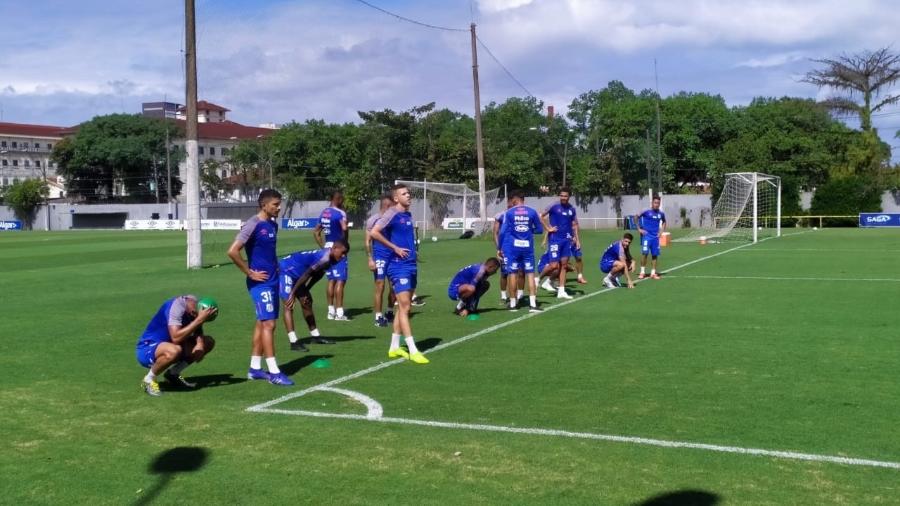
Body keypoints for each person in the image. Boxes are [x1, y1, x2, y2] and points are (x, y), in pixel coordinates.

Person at [227, 189, 294, 386]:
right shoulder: (253, 224)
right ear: (263, 205)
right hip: (260, 283)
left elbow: (269, 253)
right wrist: (249, 272)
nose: (279, 207)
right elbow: (232, 251)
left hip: (273, 280)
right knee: (269, 324)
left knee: (261, 322)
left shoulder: (273, 224)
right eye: (275, 204)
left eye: (279, 203)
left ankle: (255, 368)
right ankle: (274, 371)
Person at [370, 183, 429, 364]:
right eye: (404, 194)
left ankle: (394, 347)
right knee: (405, 307)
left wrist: (413, 252)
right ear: (396, 198)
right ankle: (413, 349)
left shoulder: (407, 214)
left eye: (409, 193)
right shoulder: (391, 214)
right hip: (397, 266)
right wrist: (394, 248)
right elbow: (374, 232)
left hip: (410, 264)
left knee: (402, 307)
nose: (409, 196)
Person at [136, 295, 217, 397]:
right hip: (147, 348)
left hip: (170, 345)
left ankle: (173, 374)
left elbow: (197, 326)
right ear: (195, 312)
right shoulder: (176, 307)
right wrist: (199, 320)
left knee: (207, 342)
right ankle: (148, 379)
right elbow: (176, 338)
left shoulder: (194, 307)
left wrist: (200, 344)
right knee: (174, 351)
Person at [280, 242, 349, 351]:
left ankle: (315, 336)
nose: (344, 256)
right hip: (286, 271)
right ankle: (293, 342)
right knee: (289, 304)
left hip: (299, 275)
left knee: (306, 302)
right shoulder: (324, 257)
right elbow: (307, 274)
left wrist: (307, 290)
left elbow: (318, 274)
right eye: (343, 252)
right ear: (335, 248)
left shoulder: (331, 259)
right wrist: (293, 293)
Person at [498, 190, 544, 312]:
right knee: (530, 273)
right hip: (527, 247)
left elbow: (502, 232)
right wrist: (528, 231)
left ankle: (513, 304)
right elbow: (539, 230)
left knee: (512, 273)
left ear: (514, 199)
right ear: (523, 199)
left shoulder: (509, 213)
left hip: (513, 248)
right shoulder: (532, 211)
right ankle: (533, 304)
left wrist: (499, 248)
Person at [314, 190, 351, 320]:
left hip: (328, 248)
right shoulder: (340, 213)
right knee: (340, 281)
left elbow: (316, 232)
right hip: (338, 248)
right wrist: (344, 244)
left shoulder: (324, 212)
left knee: (331, 280)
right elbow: (345, 228)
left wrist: (323, 247)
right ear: (339, 199)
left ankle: (330, 311)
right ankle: (340, 313)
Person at [540, 187, 582, 299]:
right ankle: (537, 279)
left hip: (566, 241)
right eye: (561, 195)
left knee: (563, 265)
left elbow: (574, 224)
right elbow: (541, 216)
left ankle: (561, 291)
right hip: (555, 239)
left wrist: (576, 239)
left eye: (565, 196)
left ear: (569, 197)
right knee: (554, 265)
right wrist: (548, 228)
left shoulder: (572, 209)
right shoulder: (554, 206)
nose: (563, 197)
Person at [366, 194, 396, 327]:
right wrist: (370, 259)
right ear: (387, 206)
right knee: (380, 285)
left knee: (394, 286)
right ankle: (378, 317)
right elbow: (367, 241)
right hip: (379, 257)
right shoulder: (373, 220)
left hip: (393, 256)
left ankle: (390, 312)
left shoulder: (394, 218)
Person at [635, 195, 667, 280]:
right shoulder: (646, 211)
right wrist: (639, 229)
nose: (657, 204)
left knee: (655, 255)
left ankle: (653, 273)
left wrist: (661, 232)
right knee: (644, 253)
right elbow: (636, 217)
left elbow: (664, 222)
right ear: (652, 203)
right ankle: (642, 272)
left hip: (655, 237)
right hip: (646, 236)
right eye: (655, 202)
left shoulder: (661, 213)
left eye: (658, 203)